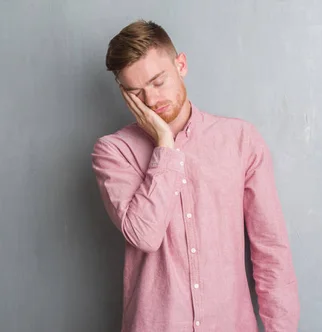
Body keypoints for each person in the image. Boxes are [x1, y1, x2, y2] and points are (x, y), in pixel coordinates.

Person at [91, 20, 300, 332]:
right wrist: (165, 144)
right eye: (137, 92)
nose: (151, 101)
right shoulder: (114, 152)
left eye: (158, 82)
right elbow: (144, 236)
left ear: (181, 65)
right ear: (125, 95)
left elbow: (271, 250)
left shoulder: (240, 139)